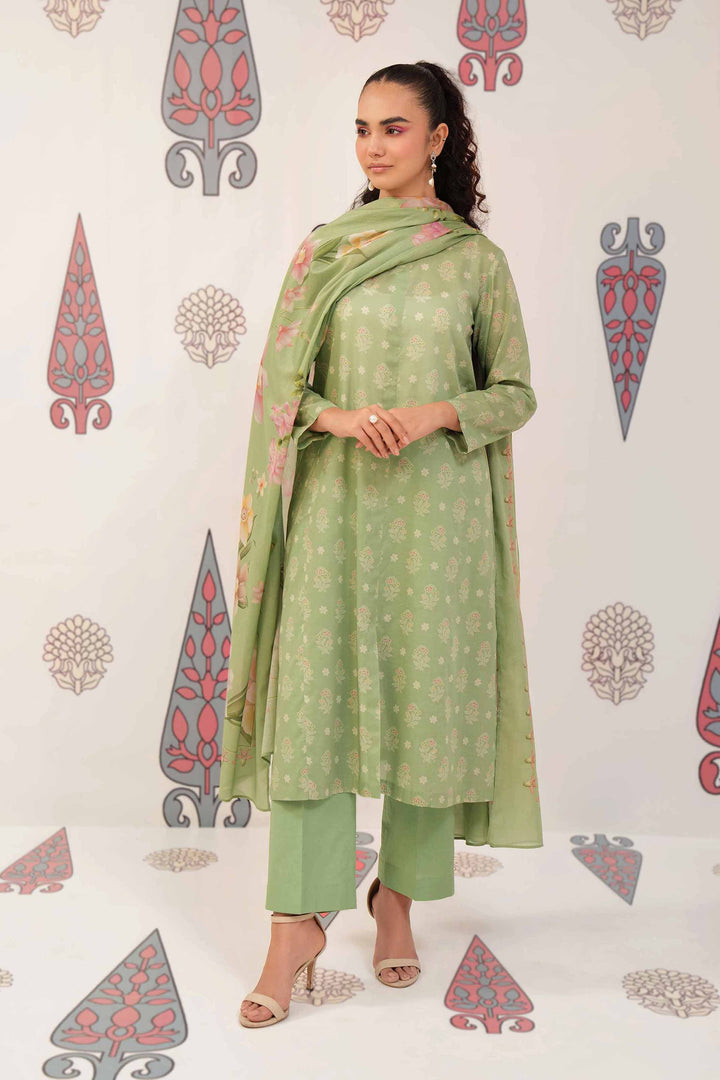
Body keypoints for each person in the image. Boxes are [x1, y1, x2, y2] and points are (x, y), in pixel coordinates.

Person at [219, 60, 543, 1029]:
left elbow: (515, 393)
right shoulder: (325, 252)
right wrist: (340, 418)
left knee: (425, 707)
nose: (373, 146)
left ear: (438, 139)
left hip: (440, 517)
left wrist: (438, 410)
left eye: (394, 128)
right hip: (336, 506)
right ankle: (294, 927)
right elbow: (280, 387)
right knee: (312, 710)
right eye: (362, 128)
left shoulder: (475, 263)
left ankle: (395, 899)